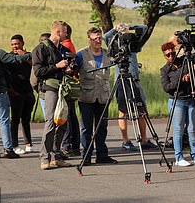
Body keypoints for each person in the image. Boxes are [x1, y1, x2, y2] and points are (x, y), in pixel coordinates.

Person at [104, 23, 158, 152]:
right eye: (123, 32)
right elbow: (105, 37)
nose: (125, 34)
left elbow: (145, 28)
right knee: (123, 110)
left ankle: (144, 140)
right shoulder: (114, 43)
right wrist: (116, 29)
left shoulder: (132, 43)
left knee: (141, 110)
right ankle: (125, 140)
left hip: (135, 80)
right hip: (122, 80)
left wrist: (130, 26)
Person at [33, 20, 73, 170]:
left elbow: (65, 67)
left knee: (62, 122)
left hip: (63, 88)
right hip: (49, 88)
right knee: (50, 122)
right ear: (57, 32)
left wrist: (68, 69)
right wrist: (57, 66)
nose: (67, 34)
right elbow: (38, 71)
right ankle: (45, 158)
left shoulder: (62, 48)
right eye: (65, 32)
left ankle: (56, 156)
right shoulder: (41, 49)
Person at [75, 27, 117, 165]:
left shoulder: (108, 54)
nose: (98, 41)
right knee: (86, 127)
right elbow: (74, 72)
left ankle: (102, 154)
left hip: (103, 96)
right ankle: (86, 155)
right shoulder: (81, 54)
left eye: (100, 38)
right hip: (86, 96)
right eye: (95, 39)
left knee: (102, 126)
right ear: (89, 40)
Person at [160, 39, 195, 167]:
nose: (171, 56)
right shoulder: (164, 70)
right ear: (164, 55)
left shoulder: (185, 61)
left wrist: (193, 41)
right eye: (167, 55)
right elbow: (167, 87)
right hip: (176, 101)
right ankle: (178, 157)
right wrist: (181, 79)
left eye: (172, 54)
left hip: (190, 99)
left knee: (192, 129)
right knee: (178, 129)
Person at [6, 34, 35, 155]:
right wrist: (11, 90)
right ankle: (14, 145)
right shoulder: (9, 58)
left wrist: (24, 56)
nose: (15, 46)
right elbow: (6, 75)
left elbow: (35, 66)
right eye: (12, 44)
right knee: (15, 120)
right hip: (16, 93)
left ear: (22, 43)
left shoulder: (28, 55)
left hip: (28, 91)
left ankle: (28, 144)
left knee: (26, 119)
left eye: (17, 44)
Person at [60, 22, 81, 158]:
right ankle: (74, 145)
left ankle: (67, 144)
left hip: (67, 85)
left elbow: (69, 66)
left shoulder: (65, 46)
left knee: (67, 115)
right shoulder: (70, 44)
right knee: (71, 115)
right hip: (71, 84)